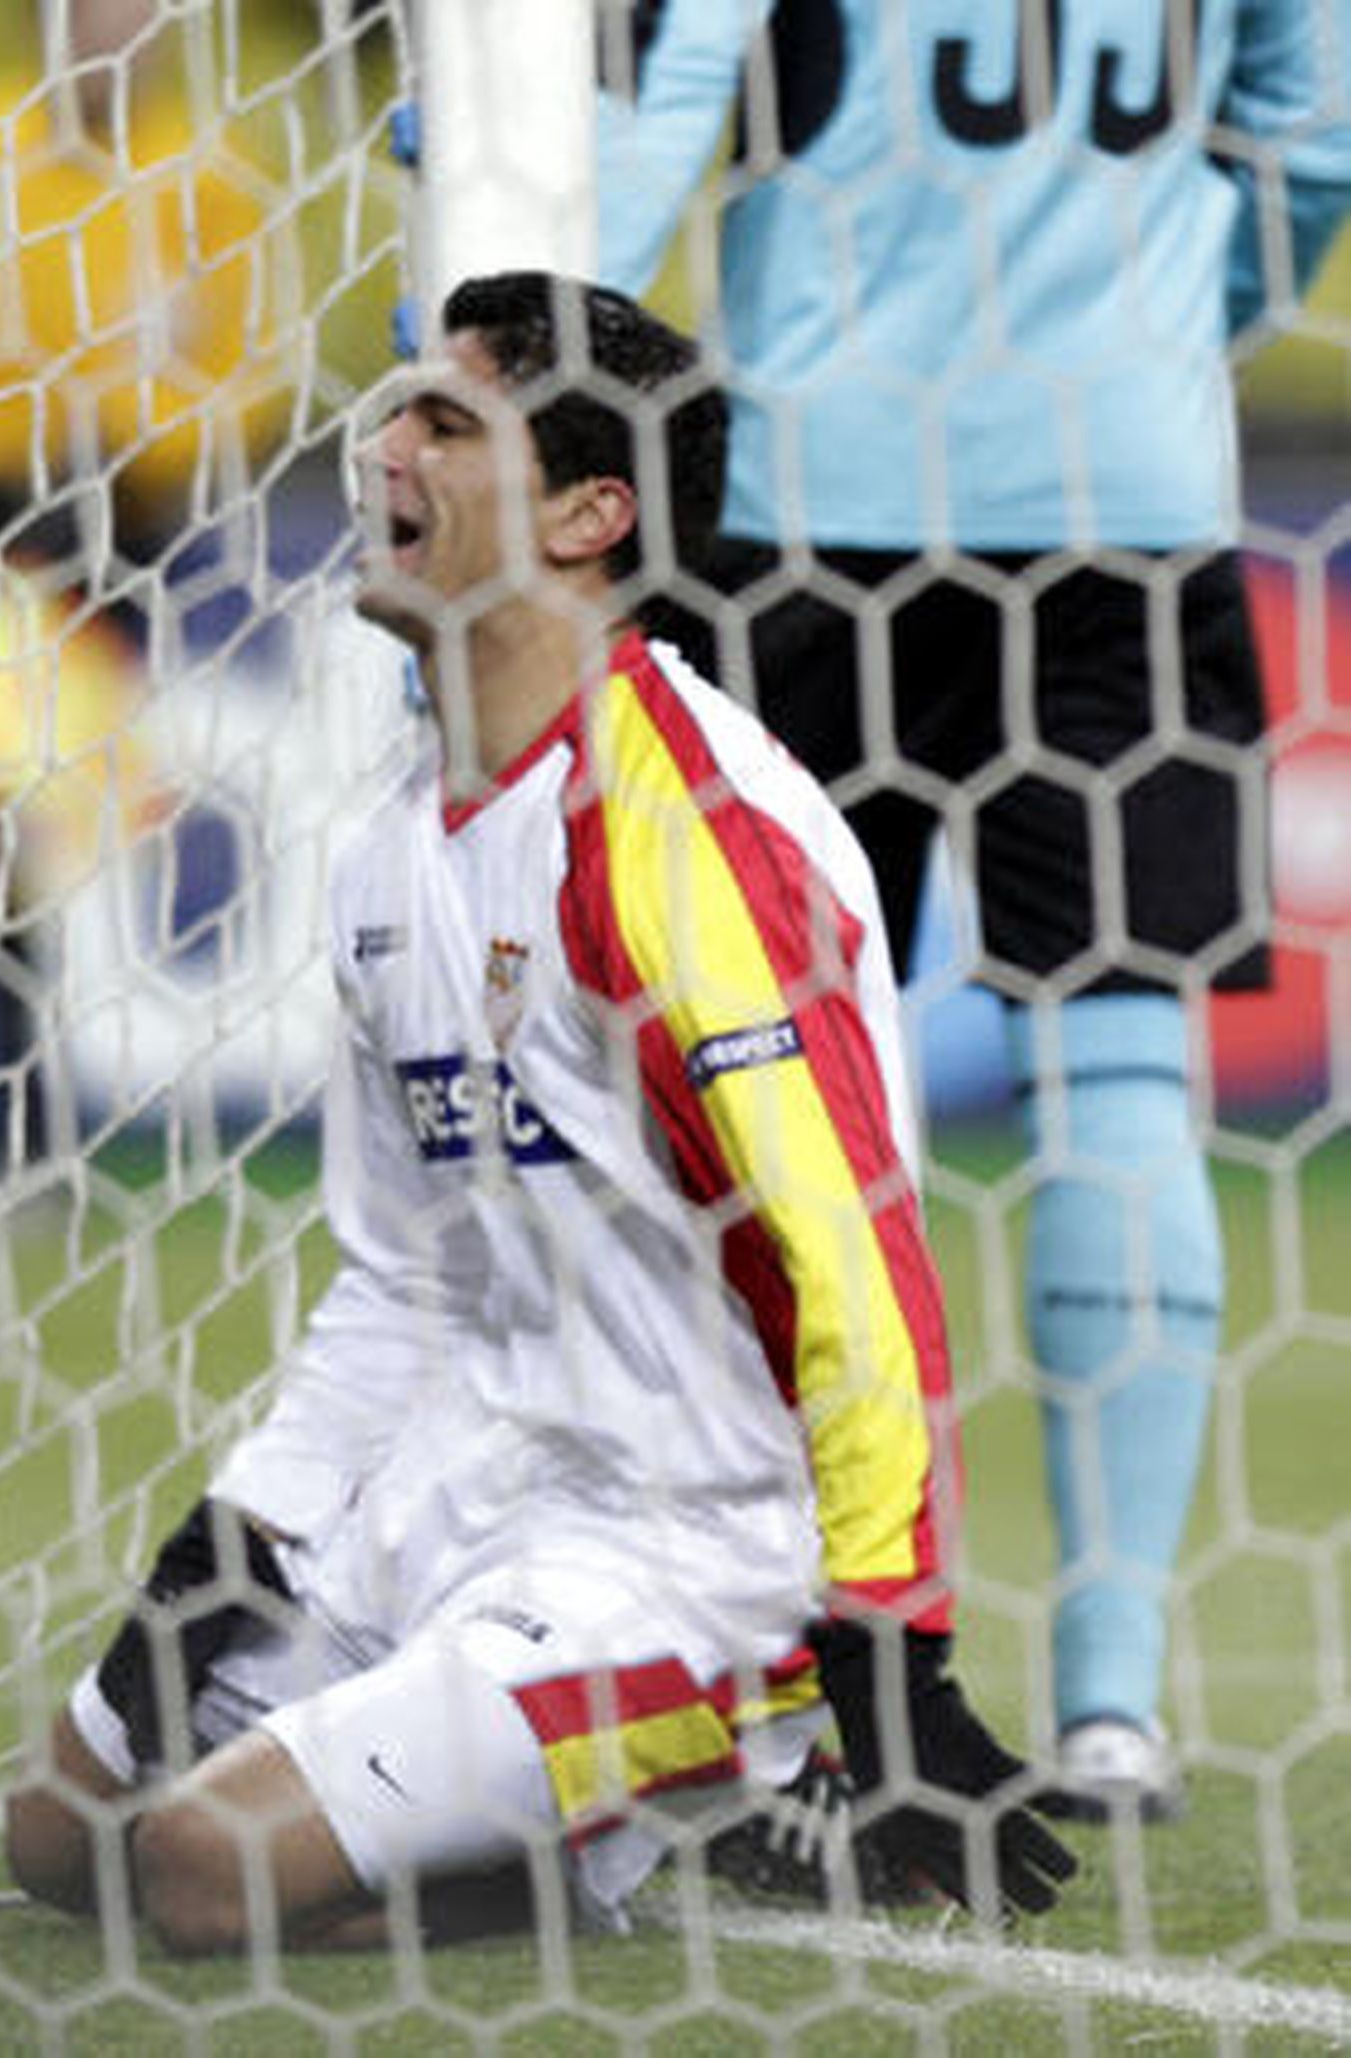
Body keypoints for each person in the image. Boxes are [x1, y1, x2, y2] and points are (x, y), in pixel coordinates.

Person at [3, 269, 1074, 1952]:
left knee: (201, 1872)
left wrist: (890, 1633)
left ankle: (699, 1793)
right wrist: (235, 1537)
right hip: (471, 1486)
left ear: (592, 512)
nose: (384, 446)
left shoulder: (683, 835)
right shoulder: (389, 848)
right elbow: (410, 1271)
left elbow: (853, 1258)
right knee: (61, 1833)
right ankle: (588, 1810)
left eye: (447, 418)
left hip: (694, 1550)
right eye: (392, 409)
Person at [596, 1, 1351, 1820]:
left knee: (752, 1083)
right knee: (1120, 1076)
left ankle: (761, 1684)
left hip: (808, 503)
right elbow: (1314, 141)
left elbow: (659, 108)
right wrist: (1162, 333)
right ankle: (1109, 1709)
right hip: (1128, 504)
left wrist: (499, 364)